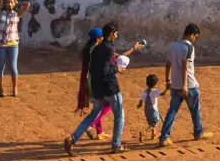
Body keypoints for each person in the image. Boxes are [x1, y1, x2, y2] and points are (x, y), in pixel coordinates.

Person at [64, 24, 142, 154]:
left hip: (97, 87)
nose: (116, 35)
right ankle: (116, 144)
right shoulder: (109, 48)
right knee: (119, 115)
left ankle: (73, 138)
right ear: (111, 34)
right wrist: (117, 69)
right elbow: (106, 69)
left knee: (94, 114)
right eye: (116, 33)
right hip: (110, 87)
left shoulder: (95, 49)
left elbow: (95, 69)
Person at [159, 23, 205, 144]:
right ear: (192, 35)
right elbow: (185, 66)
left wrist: (167, 79)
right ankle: (198, 132)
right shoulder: (189, 48)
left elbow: (168, 63)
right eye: (196, 37)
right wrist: (185, 85)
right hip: (189, 84)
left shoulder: (173, 46)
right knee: (195, 110)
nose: (195, 39)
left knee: (172, 111)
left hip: (175, 84)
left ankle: (163, 137)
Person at [0, 0, 21, 98]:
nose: (9, 4)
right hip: (1, 44)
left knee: (13, 67)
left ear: (14, 3)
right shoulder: (0, 13)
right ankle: (0, 88)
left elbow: (27, 5)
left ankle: (15, 87)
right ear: (4, 3)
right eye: (7, 2)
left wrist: (17, 2)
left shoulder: (17, 14)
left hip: (13, 44)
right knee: (0, 67)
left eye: (11, 2)